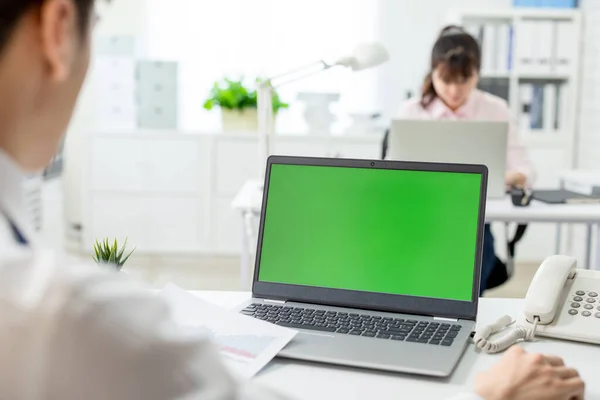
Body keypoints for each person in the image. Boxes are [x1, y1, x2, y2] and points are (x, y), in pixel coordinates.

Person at [0, 1, 584, 399]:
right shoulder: (67, 315)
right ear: (58, 27)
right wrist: (489, 391)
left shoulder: (56, 305)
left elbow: (522, 163)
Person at [396, 25, 535, 295]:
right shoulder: (412, 111)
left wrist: (493, 177)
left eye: (464, 80)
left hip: (474, 226)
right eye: (445, 80)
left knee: (465, 291)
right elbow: (391, 174)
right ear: (432, 73)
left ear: (477, 74)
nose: (454, 90)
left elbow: (525, 172)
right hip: (420, 221)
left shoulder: (495, 109)